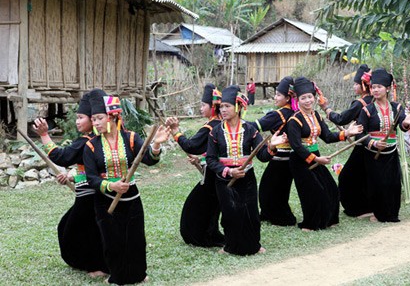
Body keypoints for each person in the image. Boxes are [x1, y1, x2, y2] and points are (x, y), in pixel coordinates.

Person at [83, 90, 170, 284]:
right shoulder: (91, 146)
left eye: (99, 118)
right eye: (93, 119)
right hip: (105, 201)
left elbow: (148, 159)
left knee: (135, 238)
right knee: (112, 240)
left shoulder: (130, 138)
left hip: (131, 197)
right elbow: (91, 178)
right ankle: (118, 275)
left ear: (113, 117)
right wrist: (111, 185)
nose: (95, 123)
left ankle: (139, 273)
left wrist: (155, 144)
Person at [33, 90, 108, 278]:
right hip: (92, 192)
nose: (77, 121)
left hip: (91, 195)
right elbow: (88, 167)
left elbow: (63, 156)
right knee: (70, 226)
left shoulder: (87, 141)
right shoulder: (98, 140)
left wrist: (44, 135)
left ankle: (97, 266)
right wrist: (72, 176)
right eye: (77, 117)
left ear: (93, 120)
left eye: (81, 117)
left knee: (82, 229)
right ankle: (89, 262)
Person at [206, 85, 287, 255]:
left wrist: (271, 146)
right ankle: (230, 246)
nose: (223, 110)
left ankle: (254, 246)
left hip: (247, 178)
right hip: (224, 179)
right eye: (221, 107)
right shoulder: (215, 132)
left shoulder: (250, 130)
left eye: (227, 106)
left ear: (238, 107)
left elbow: (262, 156)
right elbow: (211, 160)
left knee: (250, 212)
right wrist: (228, 171)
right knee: (230, 214)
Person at [287, 77, 363, 231]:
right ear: (297, 100)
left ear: (314, 98)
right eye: (303, 98)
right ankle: (310, 224)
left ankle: (329, 220)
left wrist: (347, 133)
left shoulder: (316, 115)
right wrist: (316, 159)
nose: (308, 100)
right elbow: (296, 146)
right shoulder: (294, 120)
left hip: (316, 156)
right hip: (301, 160)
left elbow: (327, 137)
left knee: (331, 189)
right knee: (313, 191)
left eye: (310, 97)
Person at [165, 83, 225, 247]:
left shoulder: (211, 126)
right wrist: (201, 160)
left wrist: (176, 131)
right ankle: (209, 233)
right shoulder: (220, 124)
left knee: (196, 205)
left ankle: (201, 236)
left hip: (215, 175)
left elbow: (192, 146)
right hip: (219, 172)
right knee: (211, 206)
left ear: (213, 107)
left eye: (203, 105)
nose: (200, 108)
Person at [356, 68, 410, 223]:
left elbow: (402, 124)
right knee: (377, 184)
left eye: (379, 87)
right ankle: (378, 213)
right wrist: (374, 143)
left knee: (393, 183)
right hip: (373, 153)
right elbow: (359, 134)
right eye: (373, 87)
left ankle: (392, 214)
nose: (375, 90)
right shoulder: (367, 110)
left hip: (391, 152)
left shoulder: (396, 108)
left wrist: (406, 123)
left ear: (388, 89)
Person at [319, 64, 374, 218]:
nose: (354, 86)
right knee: (365, 176)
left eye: (356, 84)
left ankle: (359, 208)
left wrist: (325, 108)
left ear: (364, 85)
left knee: (347, 176)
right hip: (375, 144)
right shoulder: (376, 100)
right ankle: (368, 205)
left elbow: (341, 118)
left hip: (364, 144)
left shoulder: (360, 103)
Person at [248, 76, 297, 226]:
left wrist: (236, 122)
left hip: (279, 158)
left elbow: (254, 126)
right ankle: (270, 214)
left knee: (267, 189)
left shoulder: (278, 115)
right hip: (291, 158)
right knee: (280, 189)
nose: (275, 97)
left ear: (288, 98)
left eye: (278, 95)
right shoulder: (296, 113)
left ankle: (281, 217)